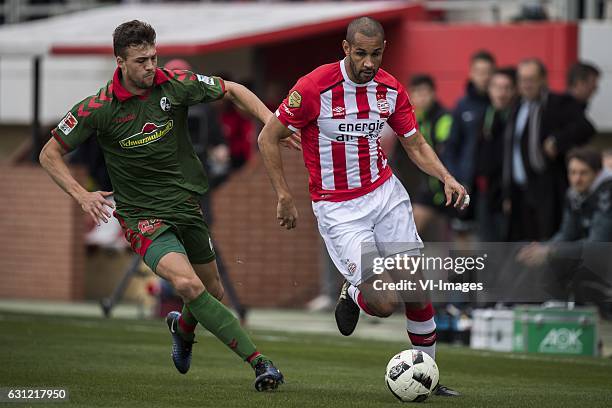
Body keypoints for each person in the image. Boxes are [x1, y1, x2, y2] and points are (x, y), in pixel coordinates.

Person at [38, 20, 283, 391]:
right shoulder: (98, 108)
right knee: (188, 284)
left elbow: (232, 89)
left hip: (187, 206)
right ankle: (260, 363)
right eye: (141, 61)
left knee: (211, 290)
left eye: (153, 57)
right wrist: (81, 193)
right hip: (143, 218)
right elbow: (49, 153)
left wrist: (271, 123)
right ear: (120, 61)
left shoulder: (174, 84)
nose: (151, 66)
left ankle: (182, 329)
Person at [257, 16, 467, 397]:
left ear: (383, 49)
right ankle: (352, 293)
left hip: (384, 194)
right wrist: (284, 195)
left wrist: (446, 177)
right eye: (360, 54)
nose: (369, 63)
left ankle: (429, 378)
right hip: (338, 209)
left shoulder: (390, 89)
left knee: (416, 288)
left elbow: (415, 143)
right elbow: (267, 137)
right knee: (384, 302)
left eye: (376, 54)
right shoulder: (314, 87)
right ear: (345, 49)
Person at [503, 58, 596, 241]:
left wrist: (557, 140)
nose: (527, 85)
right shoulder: (516, 107)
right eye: (522, 80)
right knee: (523, 246)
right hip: (520, 189)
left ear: (543, 80)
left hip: (548, 187)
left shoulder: (558, 103)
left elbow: (585, 127)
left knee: (548, 242)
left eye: (531, 79)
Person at [516, 147, 612, 316]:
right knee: (523, 250)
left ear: (597, 174)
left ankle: (555, 315)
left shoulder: (607, 193)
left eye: (583, 173)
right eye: (573, 173)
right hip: (593, 259)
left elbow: (597, 245)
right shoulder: (574, 194)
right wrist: (541, 249)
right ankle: (508, 308)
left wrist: (550, 251)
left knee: (558, 260)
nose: (577, 179)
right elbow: (566, 234)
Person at [391, 74, 452, 240]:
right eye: (417, 93)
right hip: (428, 189)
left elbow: (443, 152)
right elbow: (398, 157)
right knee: (412, 231)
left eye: (425, 93)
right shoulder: (413, 119)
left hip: (445, 185)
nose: (421, 98)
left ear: (433, 93)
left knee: (460, 239)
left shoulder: (444, 118)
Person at [443, 50, 495, 234]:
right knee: (462, 235)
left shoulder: (499, 104)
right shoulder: (462, 106)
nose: (484, 77)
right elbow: (451, 147)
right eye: (479, 72)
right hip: (466, 183)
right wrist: (455, 178)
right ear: (471, 74)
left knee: (488, 235)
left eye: (488, 72)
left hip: (492, 185)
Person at [474, 67, 517, 241]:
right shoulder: (485, 116)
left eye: (507, 88)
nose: (502, 93)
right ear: (490, 89)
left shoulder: (516, 117)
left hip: (509, 193)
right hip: (484, 193)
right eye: (497, 87)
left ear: (514, 90)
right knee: (485, 246)